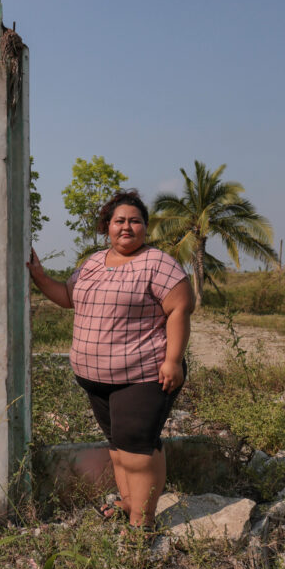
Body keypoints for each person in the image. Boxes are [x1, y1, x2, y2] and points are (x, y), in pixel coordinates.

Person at [27, 189, 194, 528]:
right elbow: (67, 297)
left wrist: (173, 360)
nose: (127, 227)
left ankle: (141, 523)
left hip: (143, 375)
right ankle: (129, 503)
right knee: (121, 448)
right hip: (96, 378)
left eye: (135, 221)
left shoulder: (157, 263)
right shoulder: (92, 263)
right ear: (107, 226)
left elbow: (179, 309)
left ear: (146, 227)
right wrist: (41, 278)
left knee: (135, 450)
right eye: (120, 221)